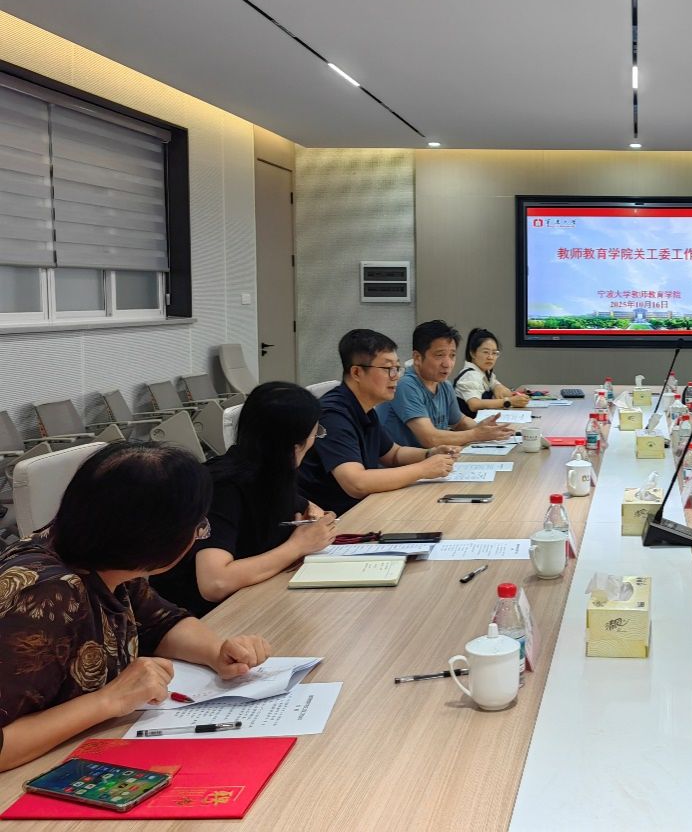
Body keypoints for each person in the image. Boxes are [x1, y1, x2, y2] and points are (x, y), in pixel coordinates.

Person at [0, 442, 272, 771]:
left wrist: (217, 652)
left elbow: (160, 622)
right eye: (198, 526)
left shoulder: (106, 555)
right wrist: (109, 700)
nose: (199, 533)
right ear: (158, 539)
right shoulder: (44, 596)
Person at [151, 382, 339, 617]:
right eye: (315, 433)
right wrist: (297, 546)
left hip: (252, 603)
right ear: (294, 445)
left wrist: (313, 517)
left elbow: (308, 509)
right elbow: (215, 583)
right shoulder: (222, 487)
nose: (314, 441)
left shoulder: (268, 471)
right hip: (201, 617)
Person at [298, 328, 458, 515]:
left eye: (397, 368)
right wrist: (423, 469)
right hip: (333, 519)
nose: (395, 376)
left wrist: (429, 454)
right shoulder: (333, 414)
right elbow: (356, 483)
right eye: (387, 369)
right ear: (357, 372)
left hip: (362, 508)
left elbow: (393, 454)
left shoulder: (364, 408)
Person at [377, 321, 517, 449]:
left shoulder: (444, 385)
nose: (447, 364)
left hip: (431, 460)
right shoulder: (405, 385)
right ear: (417, 357)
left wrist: (485, 428)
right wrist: (477, 434)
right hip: (401, 466)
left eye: (452, 355)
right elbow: (430, 439)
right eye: (440, 355)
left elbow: (460, 422)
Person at [453, 328, 530, 419]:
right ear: (472, 353)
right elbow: (474, 405)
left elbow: (502, 390)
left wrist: (498, 387)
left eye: (494, 353)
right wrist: (509, 401)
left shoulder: (485, 372)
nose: (490, 357)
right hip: (468, 426)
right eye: (486, 352)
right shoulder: (470, 375)